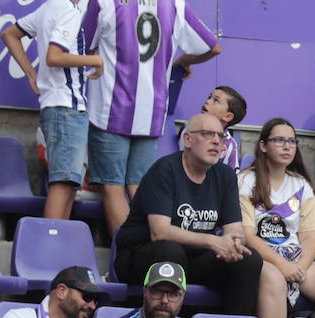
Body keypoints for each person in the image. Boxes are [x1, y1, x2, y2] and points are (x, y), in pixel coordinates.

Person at [113, 114, 280, 318]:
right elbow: (160, 231)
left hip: (190, 258)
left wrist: (231, 244)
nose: (217, 142)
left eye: (221, 136)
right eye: (208, 134)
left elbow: (235, 231)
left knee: (248, 260)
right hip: (141, 255)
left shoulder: (224, 176)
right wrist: (214, 241)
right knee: (172, 252)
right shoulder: (165, 169)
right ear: (188, 140)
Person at [80, 0, 218, 234]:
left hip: (110, 110)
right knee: (138, 185)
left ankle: (126, 256)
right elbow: (212, 47)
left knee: (112, 186)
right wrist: (184, 60)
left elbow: (84, 46)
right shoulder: (174, 4)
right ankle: (151, 252)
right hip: (152, 111)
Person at [0, 0, 100, 222]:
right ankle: (50, 243)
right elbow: (54, 57)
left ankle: (56, 243)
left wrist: (31, 73)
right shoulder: (68, 9)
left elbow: (9, 34)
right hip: (65, 106)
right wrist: (96, 60)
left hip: (60, 106)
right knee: (63, 183)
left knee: (68, 184)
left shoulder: (50, 6)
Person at [239, 118, 315, 318]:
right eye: (279, 140)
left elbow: (310, 237)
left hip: (296, 260)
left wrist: (300, 268)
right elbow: (247, 235)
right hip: (261, 258)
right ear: (263, 145)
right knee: (275, 279)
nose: (287, 147)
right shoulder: (246, 180)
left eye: (291, 141)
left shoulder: (301, 184)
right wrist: (283, 266)